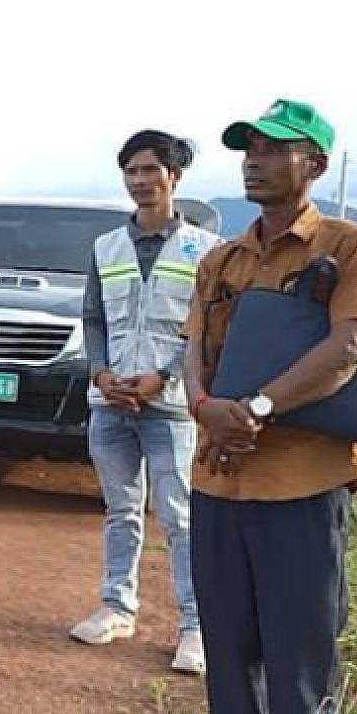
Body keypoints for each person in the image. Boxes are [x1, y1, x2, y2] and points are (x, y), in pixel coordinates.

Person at [168, 99, 357, 714]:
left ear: (316, 165)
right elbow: (194, 349)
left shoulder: (352, 248)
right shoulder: (222, 261)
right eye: (248, 148)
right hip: (220, 478)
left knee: (300, 647)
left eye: (275, 149)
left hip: (302, 483)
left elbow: (352, 346)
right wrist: (205, 407)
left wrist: (261, 408)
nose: (254, 159)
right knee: (230, 637)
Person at [69, 130, 224, 675]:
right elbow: (93, 317)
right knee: (121, 510)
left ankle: (196, 626)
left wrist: (162, 378)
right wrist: (101, 372)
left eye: (150, 170)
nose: (140, 181)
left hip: (172, 404)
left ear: (174, 177)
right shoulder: (106, 247)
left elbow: (203, 331)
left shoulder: (205, 252)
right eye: (131, 172)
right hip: (111, 401)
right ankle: (117, 607)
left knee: (180, 516)